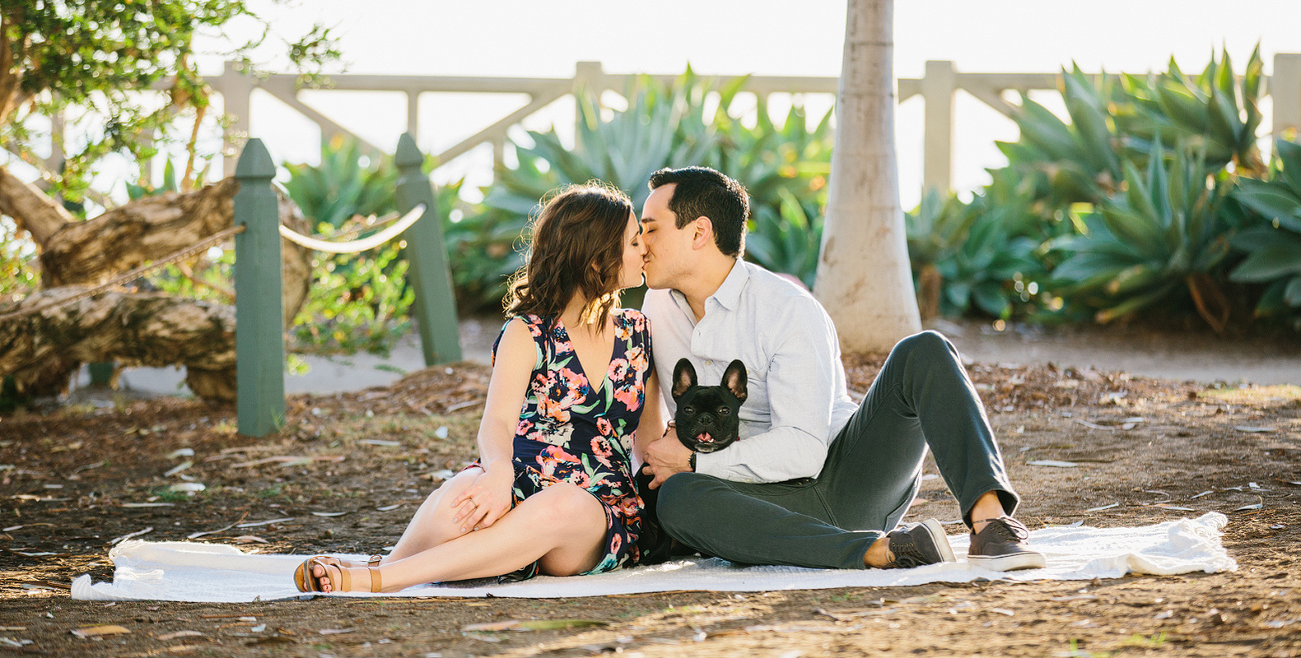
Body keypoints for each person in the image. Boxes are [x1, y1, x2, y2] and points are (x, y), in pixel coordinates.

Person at [639, 166, 1046, 572]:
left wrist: (695, 462)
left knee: (925, 350)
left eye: (651, 229)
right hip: (754, 502)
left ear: (699, 233)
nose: (641, 243)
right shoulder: (657, 307)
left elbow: (804, 452)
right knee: (680, 499)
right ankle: (881, 551)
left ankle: (992, 526)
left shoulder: (786, 310)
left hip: (845, 480)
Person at [295, 182, 662, 593]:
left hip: (594, 509)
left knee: (563, 505)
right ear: (597, 260)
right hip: (521, 479)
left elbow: (649, 445)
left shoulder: (639, 332)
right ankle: (380, 567)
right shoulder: (527, 332)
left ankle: (382, 578)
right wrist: (498, 474)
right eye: (633, 241)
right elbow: (498, 423)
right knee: (465, 492)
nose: (645, 249)